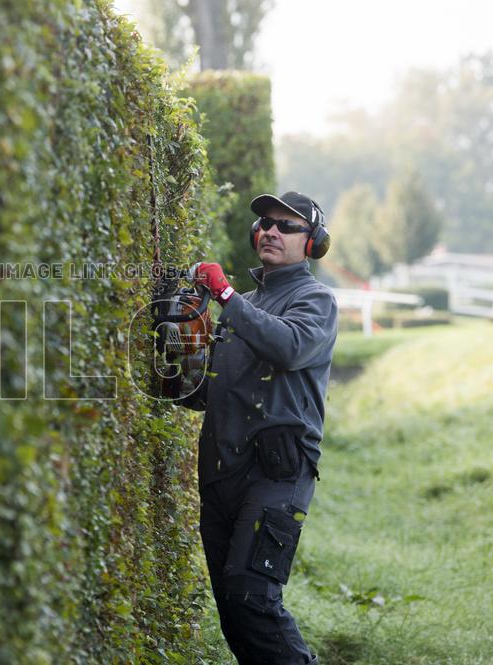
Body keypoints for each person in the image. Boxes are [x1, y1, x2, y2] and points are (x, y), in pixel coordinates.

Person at [184, 191, 338, 665]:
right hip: (220, 475)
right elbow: (205, 392)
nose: (271, 231)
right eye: (266, 223)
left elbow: (289, 346)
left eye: (286, 225)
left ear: (312, 242)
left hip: (277, 474)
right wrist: (181, 350)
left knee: (252, 597)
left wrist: (225, 296)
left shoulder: (315, 300)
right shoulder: (245, 306)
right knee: (233, 611)